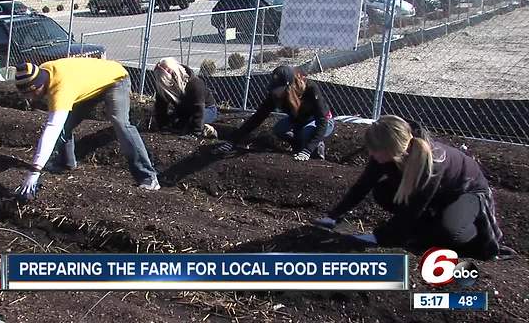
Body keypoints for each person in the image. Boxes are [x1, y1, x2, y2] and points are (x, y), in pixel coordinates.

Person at [313, 115, 514, 260]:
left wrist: (378, 237)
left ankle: (474, 237)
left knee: (449, 233)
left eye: (375, 151)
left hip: (466, 192)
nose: (371, 155)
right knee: (382, 191)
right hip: (435, 196)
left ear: (392, 149)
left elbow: (413, 209)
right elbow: (363, 184)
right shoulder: (384, 156)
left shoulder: (433, 162)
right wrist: (334, 215)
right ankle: (426, 229)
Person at [14, 57, 161, 199]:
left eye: (32, 94)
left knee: (120, 123)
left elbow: (52, 128)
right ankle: (65, 163)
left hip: (115, 78)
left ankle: (147, 177)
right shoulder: (43, 72)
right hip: (88, 85)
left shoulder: (60, 89)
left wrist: (34, 172)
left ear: (39, 85)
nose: (31, 98)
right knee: (65, 126)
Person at [214, 65, 335, 161]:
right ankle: (299, 145)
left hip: (323, 121)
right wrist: (232, 141)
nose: (276, 92)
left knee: (306, 133)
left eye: (280, 89)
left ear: (289, 86)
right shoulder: (274, 96)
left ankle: (316, 148)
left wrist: (308, 149)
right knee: (279, 129)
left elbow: (322, 120)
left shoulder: (310, 88)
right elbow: (257, 118)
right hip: (299, 121)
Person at [152, 57, 218, 139]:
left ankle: (208, 129)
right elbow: (161, 106)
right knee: (176, 123)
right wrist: (163, 125)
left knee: (189, 124)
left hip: (207, 109)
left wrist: (196, 132)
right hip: (185, 111)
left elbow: (198, 109)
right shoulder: (165, 86)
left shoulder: (195, 84)